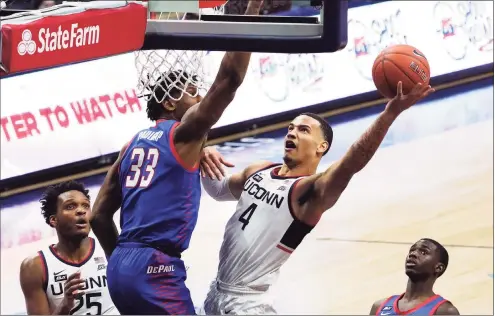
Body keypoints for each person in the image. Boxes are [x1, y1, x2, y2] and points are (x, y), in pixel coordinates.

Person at [199, 81, 435, 314]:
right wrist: (202, 150)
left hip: (248, 303)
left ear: (321, 147)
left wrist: (390, 113)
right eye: (291, 128)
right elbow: (218, 190)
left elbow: (354, 159)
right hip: (217, 291)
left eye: (303, 130)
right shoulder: (259, 170)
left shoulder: (310, 192)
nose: (292, 132)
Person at [89, 1, 264, 314]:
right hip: (156, 266)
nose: (199, 99)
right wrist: (251, 10)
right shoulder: (183, 134)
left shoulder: (132, 144)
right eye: (193, 92)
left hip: (119, 270)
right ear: (170, 101)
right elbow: (229, 80)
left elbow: (98, 216)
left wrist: (123, 262)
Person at [19, 181, 117, 315]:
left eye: (86, 206)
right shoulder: (34, 267)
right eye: (70, 206)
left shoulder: (110, 246)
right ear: (54, 220)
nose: (81, 211)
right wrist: (65, 305)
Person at [369, 238, 460, 315]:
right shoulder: (379, 306)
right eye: (412, 250)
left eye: (424, 252)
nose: (413, 254)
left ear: (438, 268)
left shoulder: (444, 311)